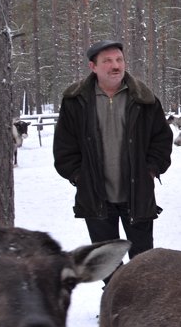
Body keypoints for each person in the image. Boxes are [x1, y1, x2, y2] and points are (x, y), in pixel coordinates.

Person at [54, 40, 173, 262]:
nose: (115, 65)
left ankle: (140, 299)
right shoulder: (75, 101)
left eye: (119, 60)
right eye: (107, 61)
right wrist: (80, 177)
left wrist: (150, 171)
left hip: (137, 195)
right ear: (93, 67)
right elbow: (64, 146)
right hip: (95, 196)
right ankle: (113, 296)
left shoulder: (144, 99)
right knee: (106, 265)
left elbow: (162, 140)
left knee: (143, 265)